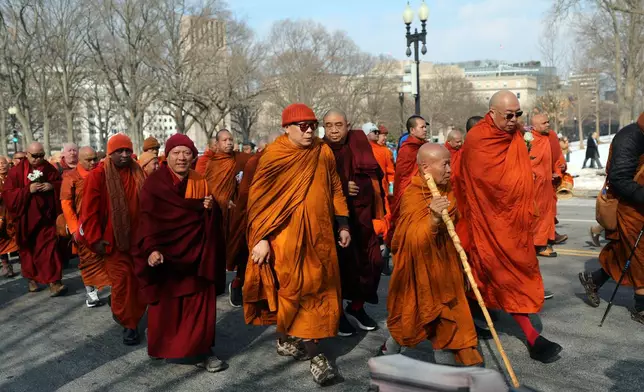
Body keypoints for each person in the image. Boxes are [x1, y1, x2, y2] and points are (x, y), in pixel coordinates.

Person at [244, 103, 351, 385]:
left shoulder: (323, 151)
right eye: (302, 126)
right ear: (287, 128)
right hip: (286, 240)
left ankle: (286, 339)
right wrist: (261, 239)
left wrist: (343, 223)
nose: (308, 131)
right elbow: (259, 202)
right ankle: (318, 358)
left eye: (312, 125)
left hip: (321, 236)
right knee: (295, 292)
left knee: (321, 290)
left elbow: (335, 187)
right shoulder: (274, 155)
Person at [460, 90, 562, 363]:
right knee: (501, 275)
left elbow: (518, 175)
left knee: (516, 273)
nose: (514, 119)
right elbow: (486, 185)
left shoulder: (516, 134)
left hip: (516, 221)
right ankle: (531, 337)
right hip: (488, 220)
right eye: (509, 115)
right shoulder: (478, 138)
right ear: (492, 113)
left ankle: (480, 312)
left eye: (518, 114)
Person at [380, 143, 483, 366]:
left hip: (445, 269)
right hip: (418, 271)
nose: (449, 170)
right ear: (425, 167)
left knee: (447, 326)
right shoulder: (414, 195)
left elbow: (455, 223)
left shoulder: (445, 190)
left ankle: (446, 377)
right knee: (409, 320)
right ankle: (386, 363)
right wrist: (434, 220)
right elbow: (409, 240)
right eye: (445, 164)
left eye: (450, 164)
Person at [134, 133, 228, 372]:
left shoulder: (200, 181)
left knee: (200, 302)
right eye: (176, 153)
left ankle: (204, 350)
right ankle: (162, 343)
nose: (182, 158)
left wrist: (211, 208)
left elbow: (211, 217)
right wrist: (151, 249)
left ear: (194, 156)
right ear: (168, 156)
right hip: (166, 255)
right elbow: (146, 219)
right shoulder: (155, 183)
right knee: (167, 305)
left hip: (197, 254)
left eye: (187, 153)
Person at [81, 133, 147, 345]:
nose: (125, 155)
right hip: (113, 242)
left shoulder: (138, 172)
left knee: (137, 282)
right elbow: (88, 212)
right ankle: (129, 324)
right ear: (110, 153)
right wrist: (95, 239)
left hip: (139, 240)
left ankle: (131, 315)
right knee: (122, 282)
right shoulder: (98, 175)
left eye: (128, 150)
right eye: (120, 151)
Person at [579, 114, 644, 325]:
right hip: (630, 205)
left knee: (623, 251)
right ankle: (641, 306)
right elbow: (620, 178)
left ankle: (594, 280)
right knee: (639, 255)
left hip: (638, 204)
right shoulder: (630, 137)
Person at [324, 110, 383, 337]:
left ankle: (356, 307)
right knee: (338, 269)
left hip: (362, 216)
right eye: (329, 125)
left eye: (339, 124)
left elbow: (373, 175)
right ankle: (337, 314)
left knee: (373, 262)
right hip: (334, 221)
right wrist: (339, 186)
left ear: (348, 125)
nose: (334, 130)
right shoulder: (321, 150)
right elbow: (316, 183)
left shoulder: (359, 143)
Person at [3, 142, 66, 296]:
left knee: (50, 249)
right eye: (35, 156)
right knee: (28, 251)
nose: (38, 159)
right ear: (27, 155)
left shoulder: (48, 168)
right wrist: (27, 190)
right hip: (25, 220)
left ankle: (54, 282)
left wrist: (51, 186)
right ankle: (31, 279)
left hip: (45, 219)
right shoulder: (16, 172)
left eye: (41, 155)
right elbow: (8, 195)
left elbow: (60, 184)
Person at [227, 132, 281, 308]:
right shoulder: (253, 163)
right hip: (250, 217)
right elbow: (244, 195)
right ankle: (239, 284)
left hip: (277, 216)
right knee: (247, 256)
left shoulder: (284, 162)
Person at [60, 147, 110, 308]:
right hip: (83, 227)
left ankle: (111, 288)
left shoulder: (102, 174)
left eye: (95, 158)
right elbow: (66, 204)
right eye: (88, 160)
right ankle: (91, 293)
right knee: (87, 260)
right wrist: (74, 229)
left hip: (103, 223)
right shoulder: (71, 177)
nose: (93, 162)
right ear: (79, 160)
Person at [204, 129, 250, 295]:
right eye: (224, 140)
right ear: (217, 143)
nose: (229, 143)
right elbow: (209, 188)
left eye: (231, 140)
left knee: (240, 246)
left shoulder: (240, 159)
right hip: (218, 213)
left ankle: (240, 280)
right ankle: (216, 283)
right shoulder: (213, 163)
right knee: (218, 247)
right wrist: (223, 200)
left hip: (238, 211)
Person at [387, 115, 427, 246]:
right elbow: (403, 176)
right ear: (412, 130)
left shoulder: (424, 147)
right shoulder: (407, 149)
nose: (425, 130)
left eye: (425, 127)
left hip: (424, 192)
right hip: (409, 192)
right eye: (422, 127)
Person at [530, 115, 560, 257]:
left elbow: (556, 157)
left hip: (547, 185)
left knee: (547, 215)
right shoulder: (530, 140)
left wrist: (557, 171)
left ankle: (543, 242)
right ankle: (539, 245)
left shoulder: (548, 138)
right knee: (537, 215)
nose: (548, 124)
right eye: (544, 123)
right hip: (535, 186)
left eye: (548, 122)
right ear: (535, 126)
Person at [364, 123, 394, 239]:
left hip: (383, 190)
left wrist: (391, 190)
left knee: (384, 215)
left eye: (378, 132)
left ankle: (383, 242)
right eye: (375, 132)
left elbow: (391, 173)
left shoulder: (385, 151)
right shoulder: (359, 150)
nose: (378, 135)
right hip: (365, 190)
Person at [0, 156, 19, 278]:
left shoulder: (13, 177)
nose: (1, 165)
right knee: (1, 239)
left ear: (8, 164)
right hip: (0, 213)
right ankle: (6, 264)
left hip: (13, 212)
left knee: (17, 237)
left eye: (3, 163)